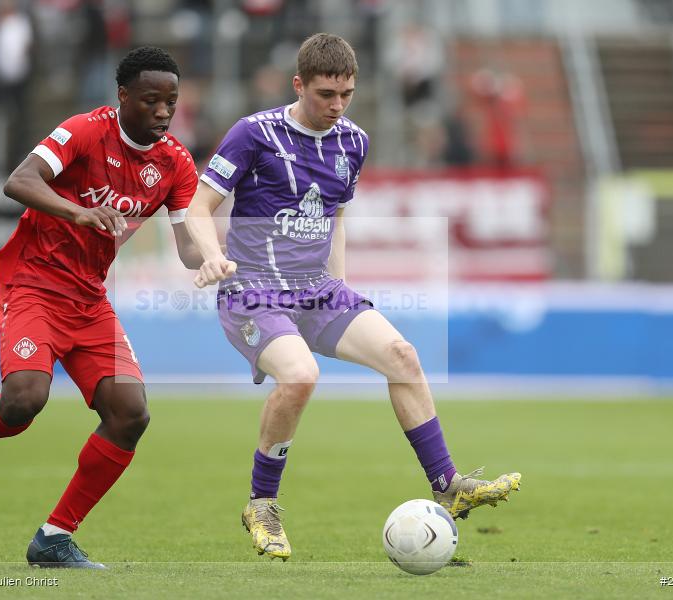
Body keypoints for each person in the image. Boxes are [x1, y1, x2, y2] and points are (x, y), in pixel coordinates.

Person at [184, 33, 521, 562]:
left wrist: (339, 282)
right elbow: (200, 206)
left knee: (402, 357)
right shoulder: (254, 134)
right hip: (252, 292)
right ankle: (262, 504)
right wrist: (210, 256)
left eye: (346, 94)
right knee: (300, 376)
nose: (336, 106)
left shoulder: (353, 142)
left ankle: (447, 484)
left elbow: (336, 216)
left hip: (318, 291)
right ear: (299, 85)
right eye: (325, 94)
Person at [0, 46, 202, 569]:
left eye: (171, 102)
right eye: (151, 101)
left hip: (90, 299)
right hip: (32, 282)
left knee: (130, 414)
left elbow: (189, 243)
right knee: (23, 401)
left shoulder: (175, 162)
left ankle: (54, 537)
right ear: (123, 96)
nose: (164, 113)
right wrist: (78, 213)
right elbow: (19, 181)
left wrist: (214, 260)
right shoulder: (84, 130)